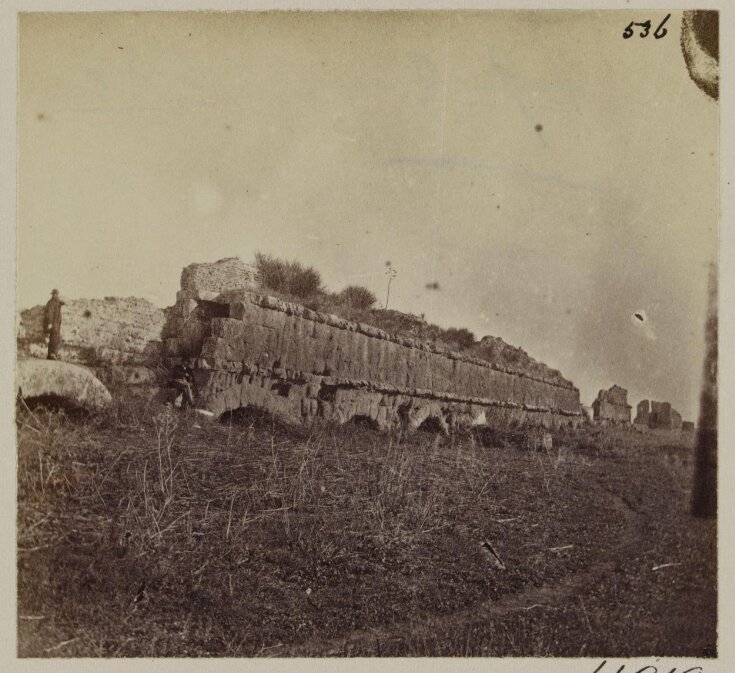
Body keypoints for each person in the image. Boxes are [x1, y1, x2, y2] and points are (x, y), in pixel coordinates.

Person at [42, 289, 64, 360]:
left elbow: (63, 302)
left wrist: (61, 303)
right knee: (54, 338)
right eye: (55, 294)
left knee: (56, 338)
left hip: (57, 324)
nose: (56, 295)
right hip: (53, 323)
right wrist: (50, 323)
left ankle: (51, 354)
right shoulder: (51, 302)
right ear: (53, 295)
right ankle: (52, 354)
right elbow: (49, 314)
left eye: (57, 294)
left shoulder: (56, 302)